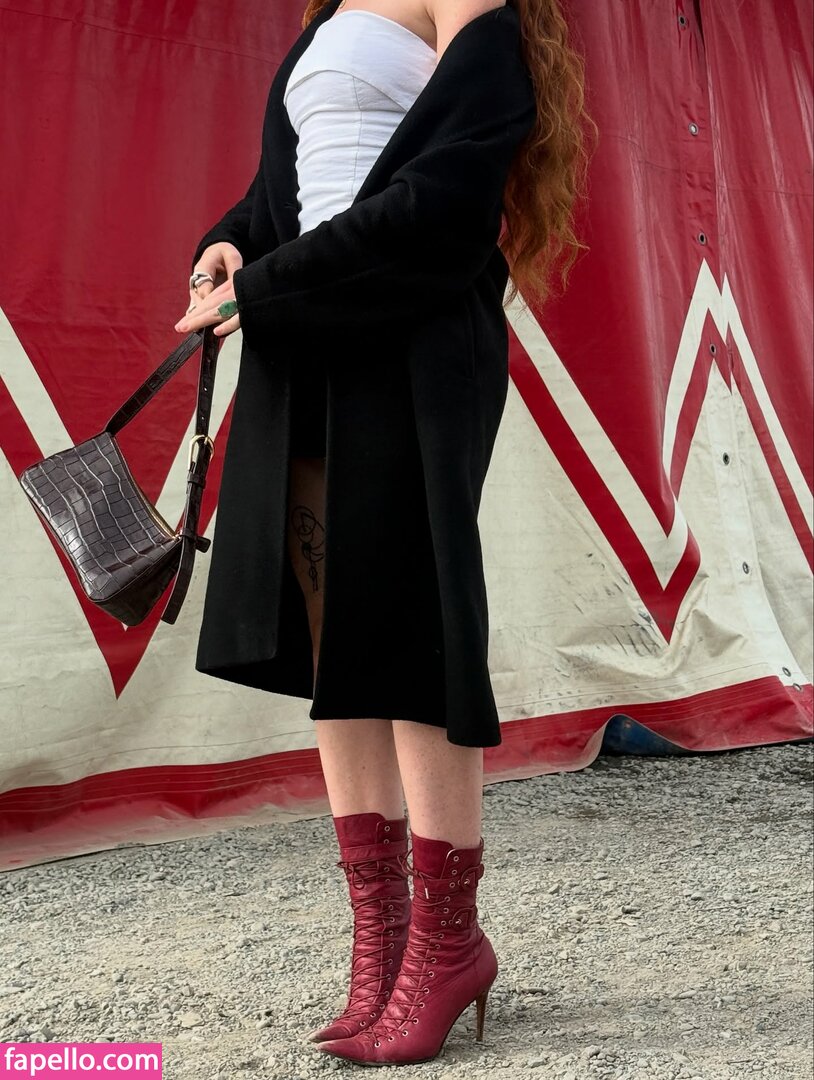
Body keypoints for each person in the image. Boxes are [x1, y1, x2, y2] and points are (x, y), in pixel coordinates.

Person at [174, 0, 595, 1065]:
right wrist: (230, 245)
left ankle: (447, 943)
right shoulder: (332, 9)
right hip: (306, 343)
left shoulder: (466, 2)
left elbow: (443, 199)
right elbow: (289, 187)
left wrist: (265, 284)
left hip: (410, 342)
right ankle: (384, 945)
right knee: (337, 643)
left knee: (406, 633)